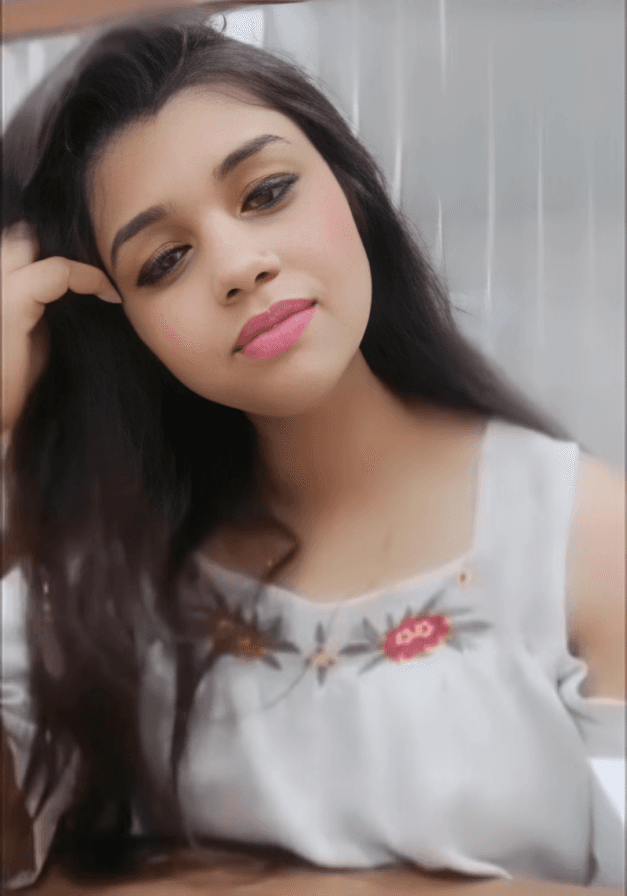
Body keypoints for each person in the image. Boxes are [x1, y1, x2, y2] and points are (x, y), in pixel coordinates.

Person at [1, 12, 624, 894]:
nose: (237, 265)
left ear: (352, 187)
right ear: (117, 325)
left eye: (265, 193)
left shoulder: (580, 536)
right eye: (164, 260)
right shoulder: (89, 583)